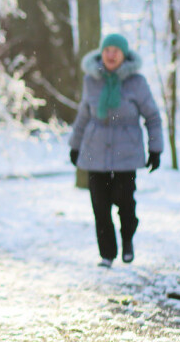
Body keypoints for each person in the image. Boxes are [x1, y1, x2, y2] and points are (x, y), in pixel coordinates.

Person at [69, 33, 162, 268]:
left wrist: (155, 149)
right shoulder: (91, 80)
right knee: (100, 207)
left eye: (116, 51)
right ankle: (107, 254)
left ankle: (128, 238)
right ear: (101, 52)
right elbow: (83, 115)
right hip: (95, 151)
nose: (111, 55)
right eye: (107, 50)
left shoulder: (136, 83)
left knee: (125, 203)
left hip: (126, 153)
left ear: (124, 55)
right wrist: (75, 145)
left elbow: (152, 116)